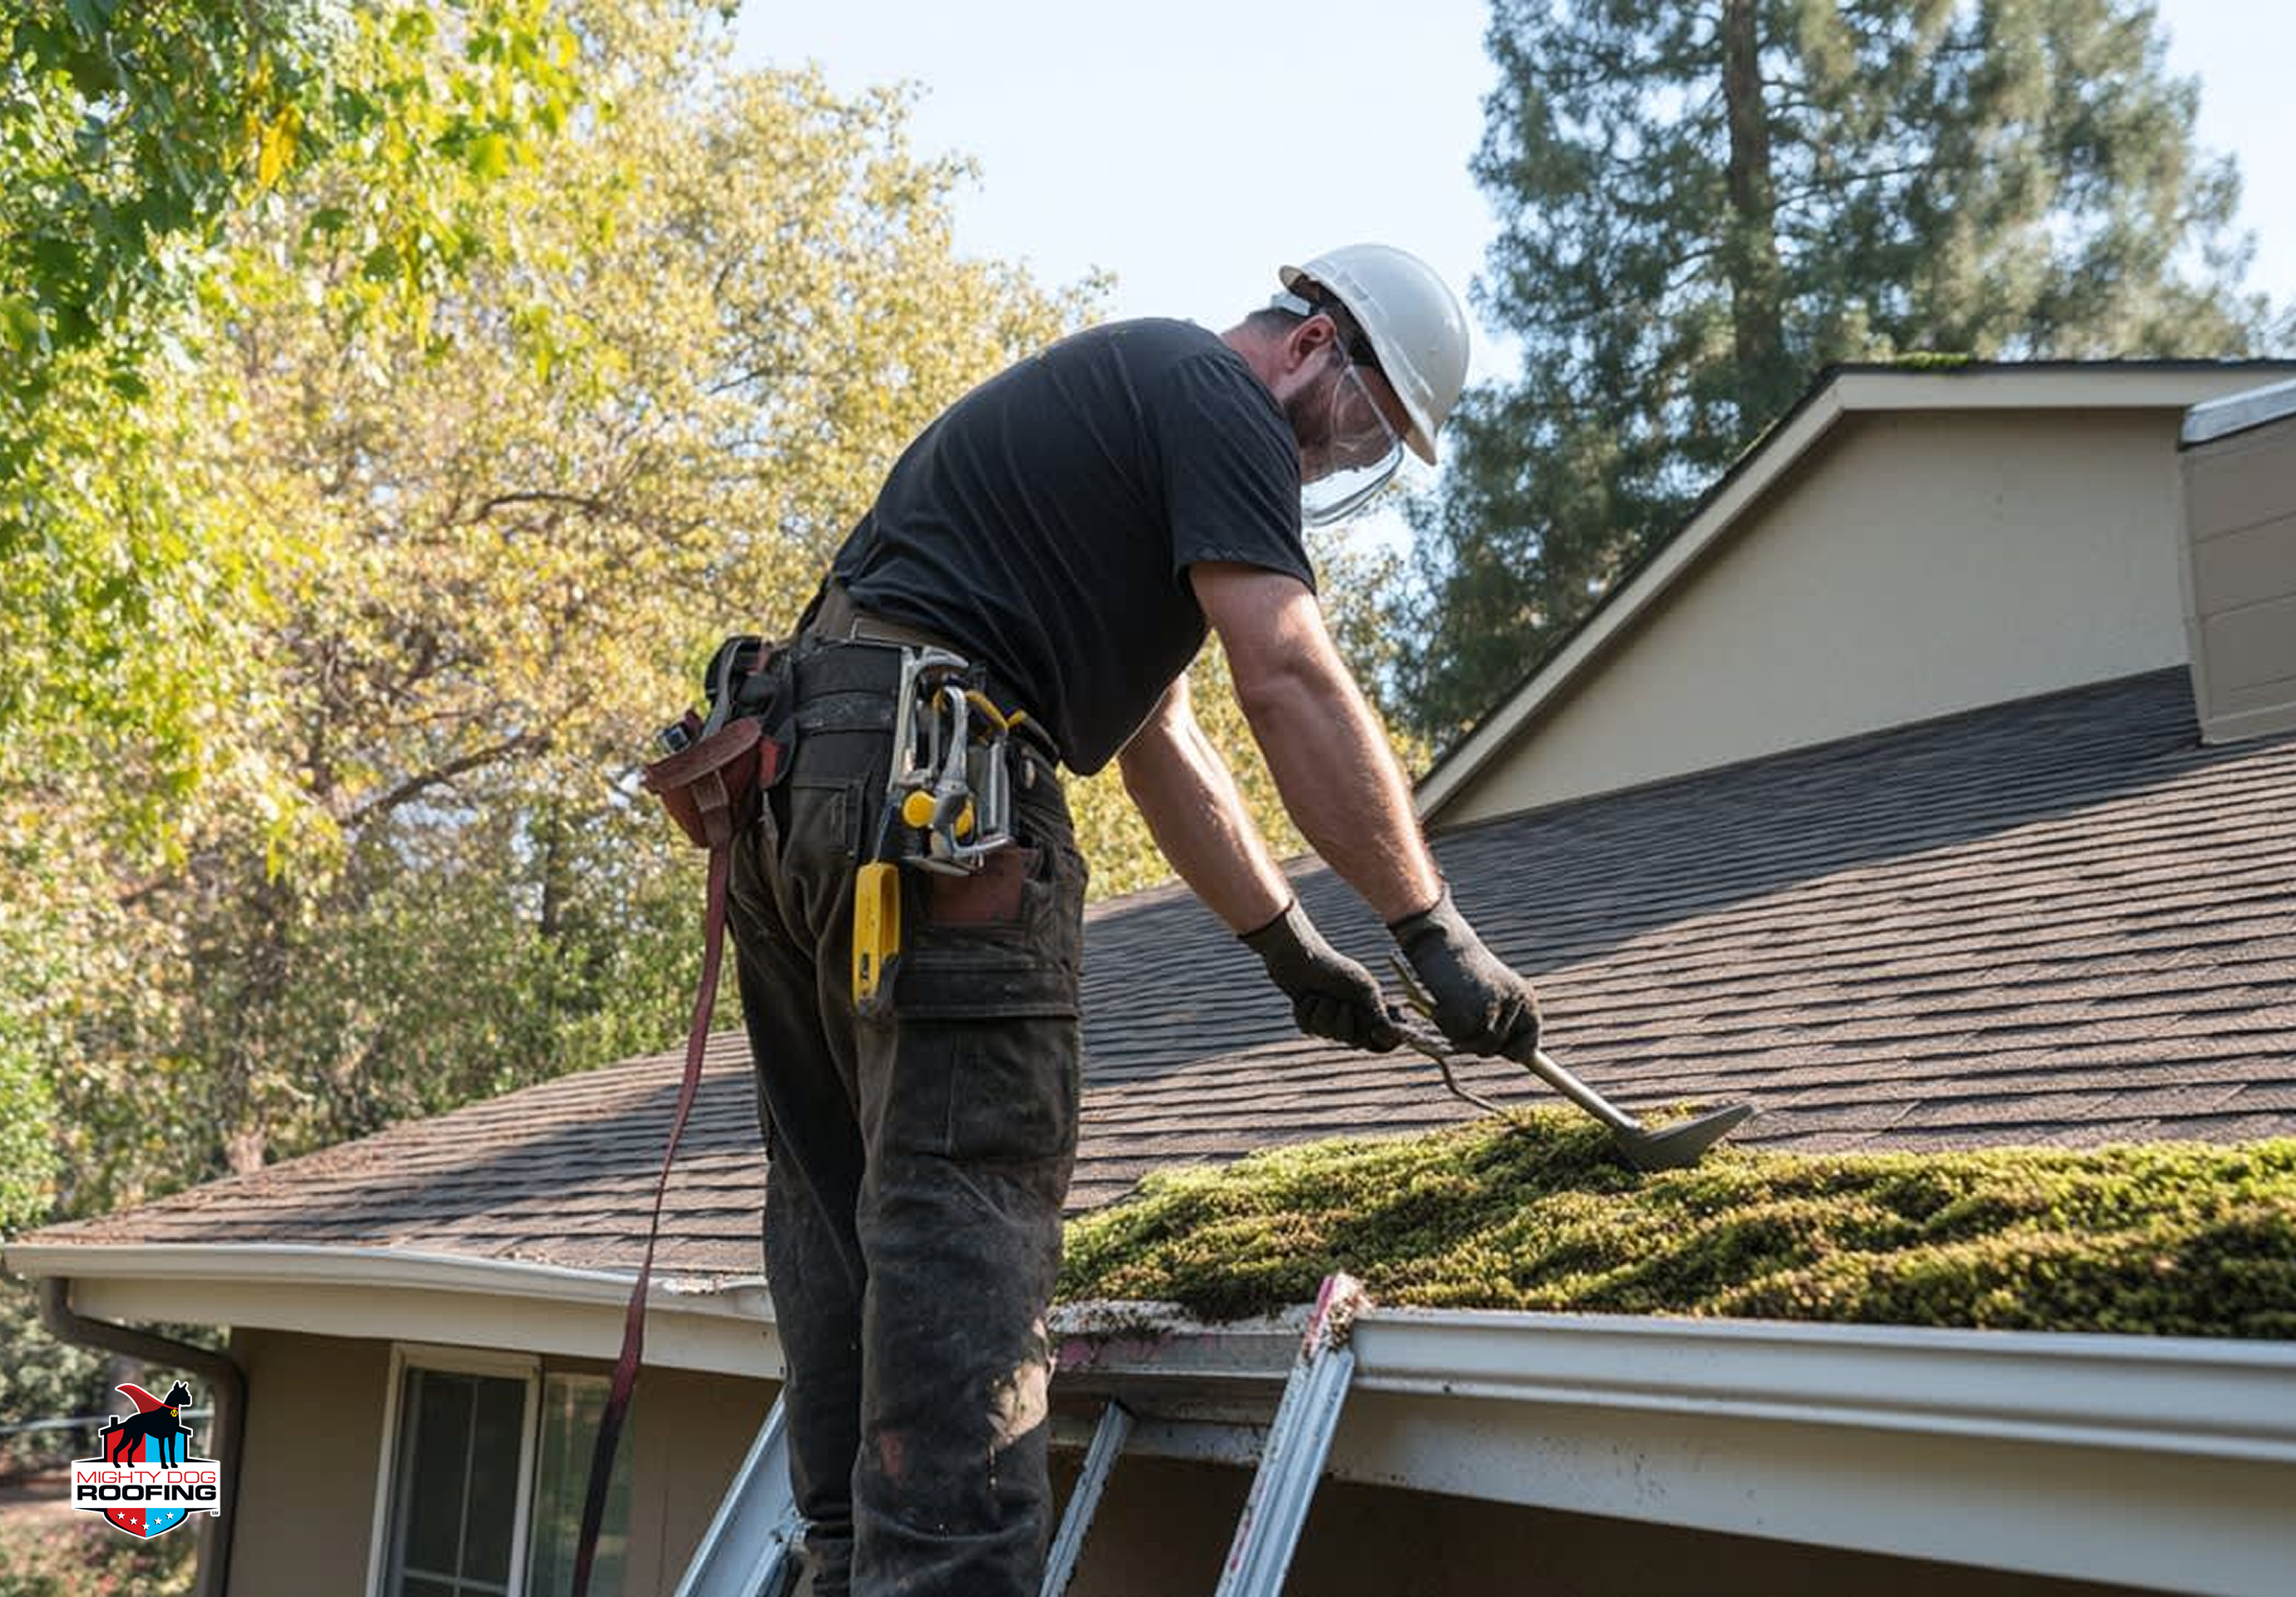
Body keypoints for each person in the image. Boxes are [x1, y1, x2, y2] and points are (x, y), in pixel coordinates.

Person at [726, 243, 1542, 1597]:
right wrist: (1431, 929)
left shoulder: (1116, 410)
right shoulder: (1217, 398)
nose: (1336, 468)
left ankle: (839, 1560)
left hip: (802, 790)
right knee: (959, 1207)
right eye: (1356, 430)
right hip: (936, 801)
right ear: (1309, 346)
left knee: (838, 1204)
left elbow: (1164, 737)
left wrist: (1290, 949)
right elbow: (1283, 671)